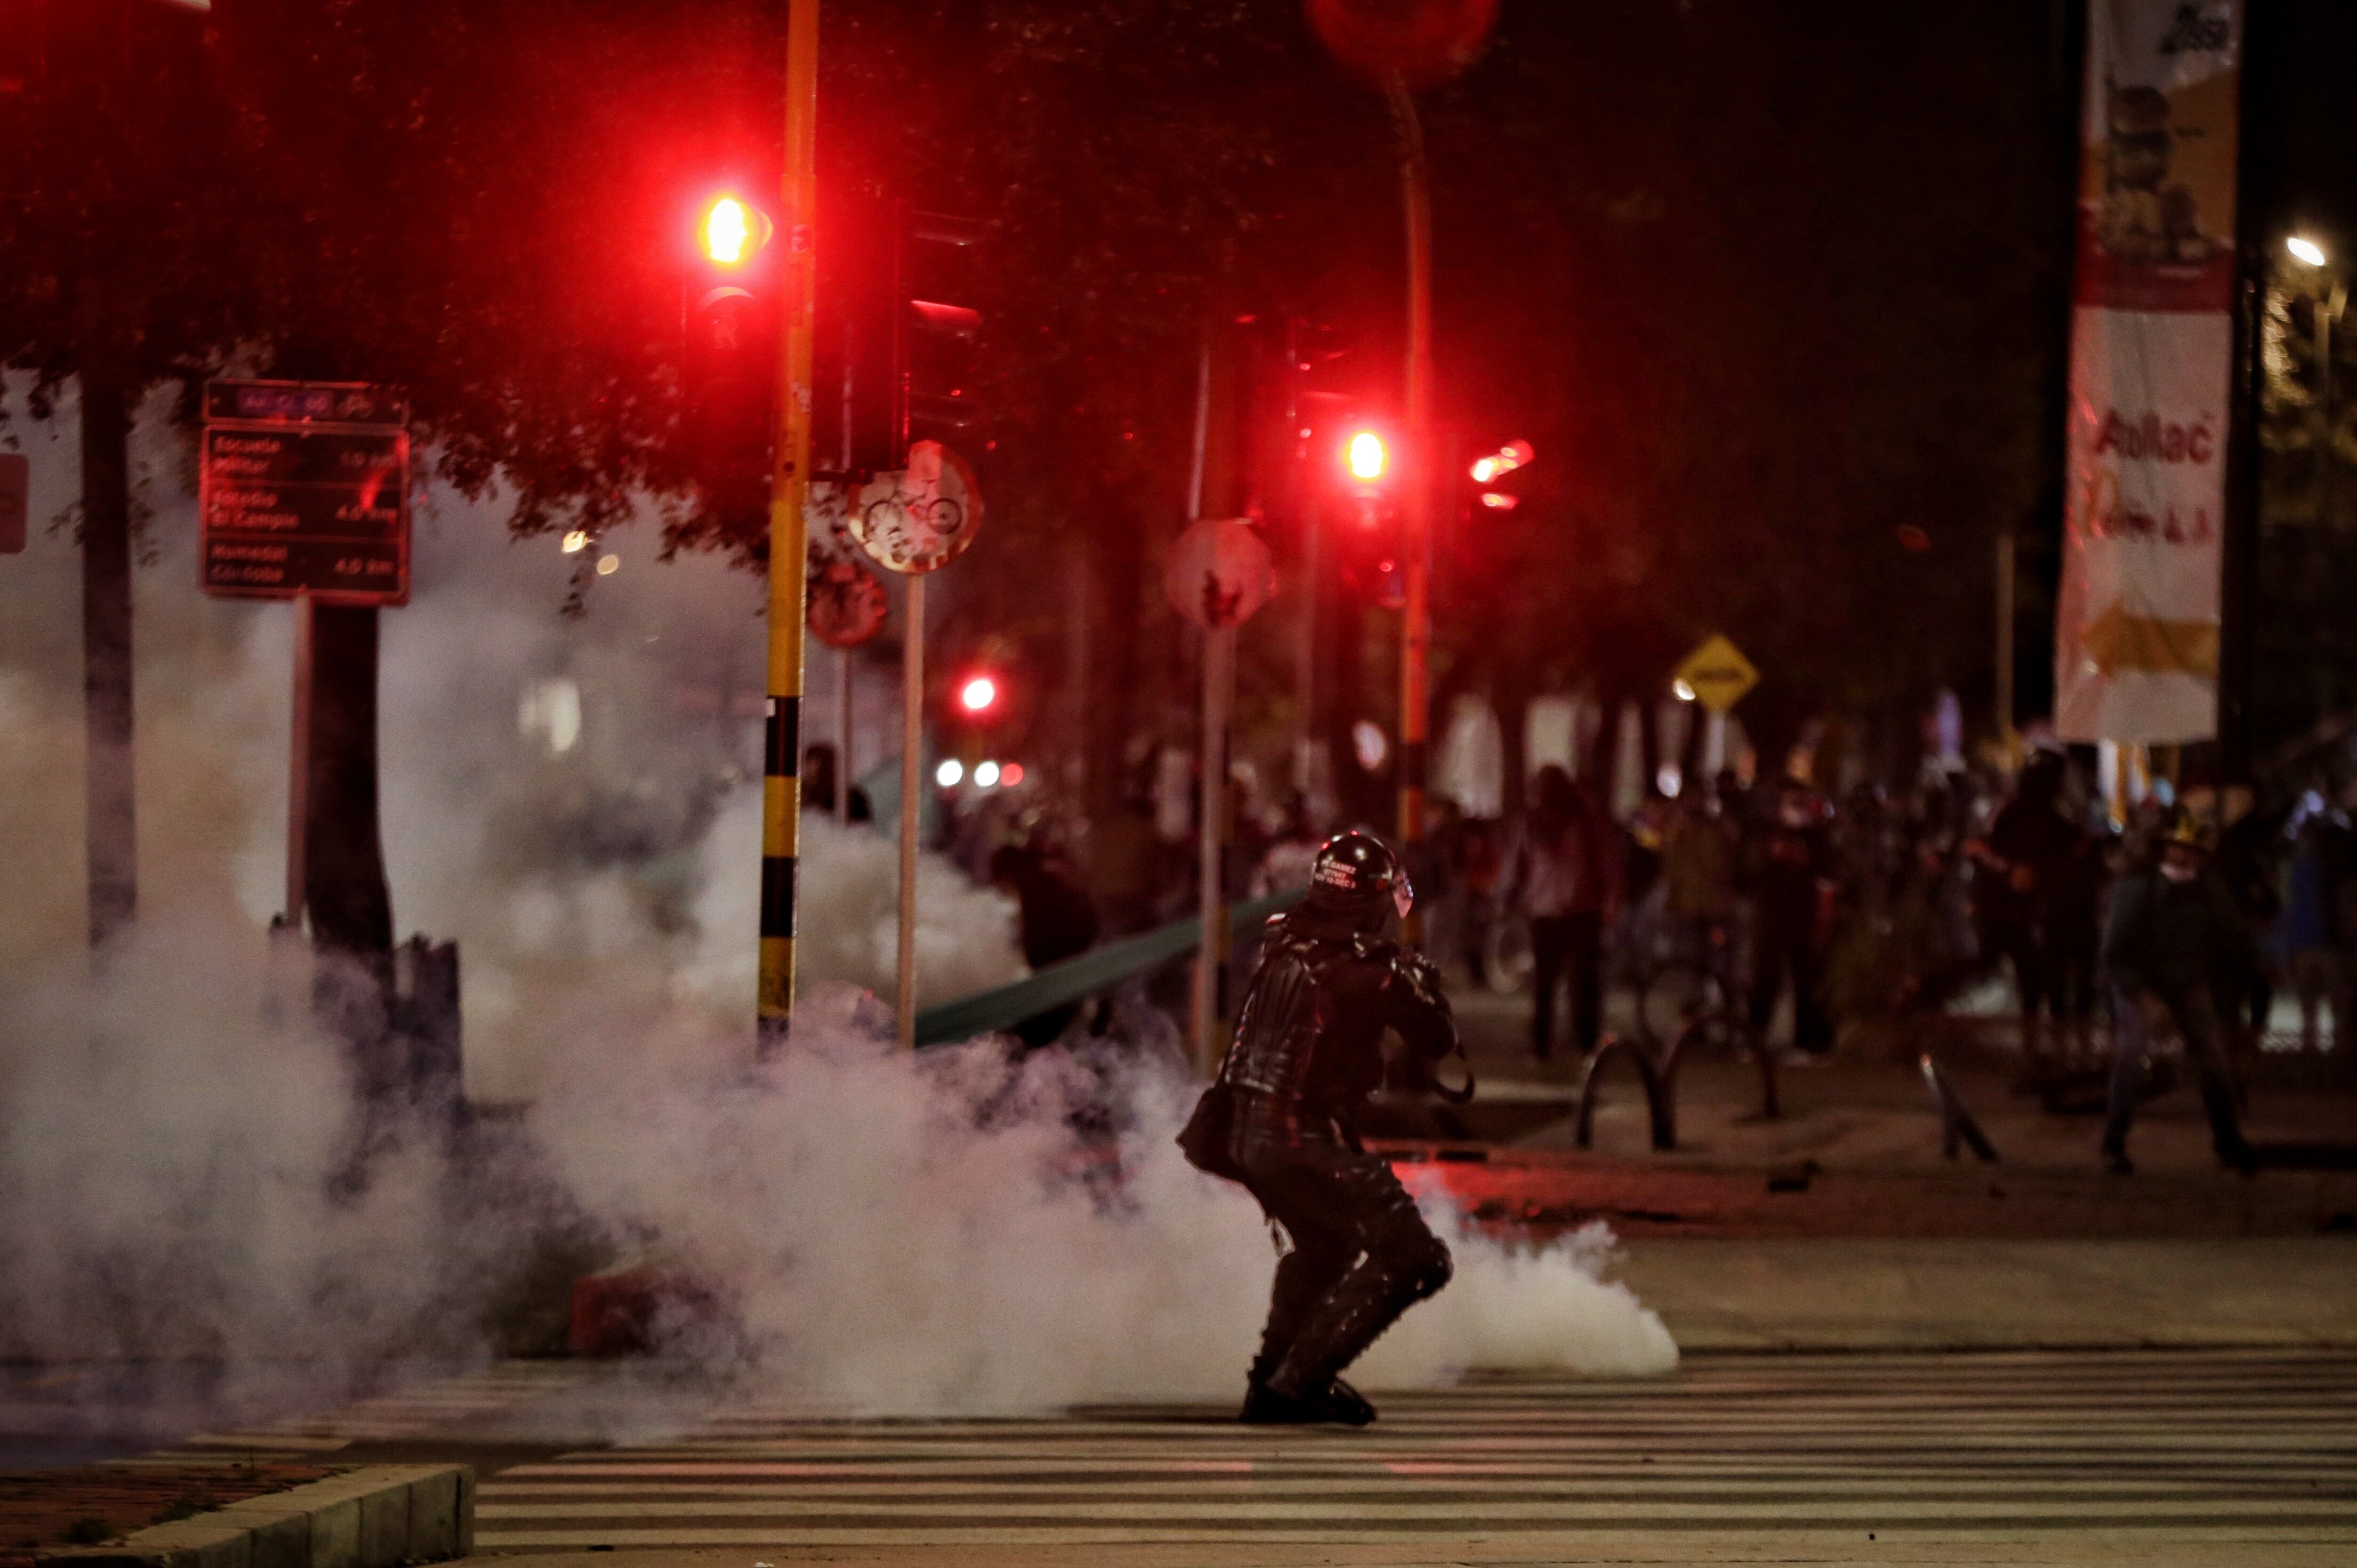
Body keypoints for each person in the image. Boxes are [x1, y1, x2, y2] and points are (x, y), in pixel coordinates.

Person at [1177, 831, 1462, 1427]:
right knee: (1417, 1259)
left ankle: (1269, 1383)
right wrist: (1422, 988)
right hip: (1298, 1136)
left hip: (1242, 1134)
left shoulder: (1283, 941)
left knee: (1327, 1247)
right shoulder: (1369, 968)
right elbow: (1436, 1041)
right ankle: (1300, 1380)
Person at [2097, 811, 2260, 1175]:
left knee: (2214, 1062)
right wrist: (2141, 994)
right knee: (2129, 1057)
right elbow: (2114, 953)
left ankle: (2227, 1139)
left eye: (2195, 851)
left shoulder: (2208, 887)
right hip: (2140, 984)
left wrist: (2223, 986)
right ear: (2166, 848)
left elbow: (2231, 940)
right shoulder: (2137, 887)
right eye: (2179, 848)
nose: (2186, 858)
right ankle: (2113, 1143)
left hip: (2189, 984)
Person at [1504, 766, 1619, 1059]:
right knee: (1547, 983)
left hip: (1580, 909)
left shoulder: (1585, 818)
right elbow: (1518, 864)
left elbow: (1606, 861)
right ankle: (1544, 1045)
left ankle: (1583, 1043)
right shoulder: (1533, 823)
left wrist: (1610, 899)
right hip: (1549, 910)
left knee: (1582, 982)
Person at [1748, 777, 1839, 1053]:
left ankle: (1806, 1042)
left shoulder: (1818, 835)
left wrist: (1807, 857)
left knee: (1806, 980)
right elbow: (1750, 872)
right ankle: (1754, 1039)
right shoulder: (1767, 832)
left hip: (1804, 917)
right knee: (1765, 978)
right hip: (1772, 916)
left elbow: (1829, 871)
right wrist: (1770, 854)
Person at [989, 839, 1101, 1050]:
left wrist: (1035, 964)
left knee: (1043, 1026)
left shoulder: (1034, 887)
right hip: (1074, 955)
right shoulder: (1042, 878)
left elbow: (1040, 934)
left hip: (1061, 961)